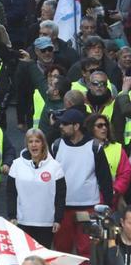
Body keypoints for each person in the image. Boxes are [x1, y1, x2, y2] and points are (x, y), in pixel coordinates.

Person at [51, 108, 113, 255]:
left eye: (65, 124)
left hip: (88, 207)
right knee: (62, 249)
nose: (61, 126)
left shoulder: (95, 147)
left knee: (86, 250)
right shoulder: (56, 145)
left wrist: (107, 206)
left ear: (77, 126)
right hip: (62, 208)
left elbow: (105, 179)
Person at [7, 128, 66, 248]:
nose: (34, 144)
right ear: (27, 145)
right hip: (23, 221)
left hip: (46, 223)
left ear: (43, 144)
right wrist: (12, 216)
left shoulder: (55, 166)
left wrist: (58, 219)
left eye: (37, 141)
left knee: (42, 259)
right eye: (30, 141)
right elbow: (11, 193)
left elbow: (60, 195)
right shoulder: (16, 165)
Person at [85, 113, 131, 208]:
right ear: (91, 128)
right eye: (99, 125)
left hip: (110, 202)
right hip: (87, 201)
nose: (104, 128)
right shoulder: (83, 148)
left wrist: (114, 190)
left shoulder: (117, 148)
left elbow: (125, 174)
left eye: (106, 125)